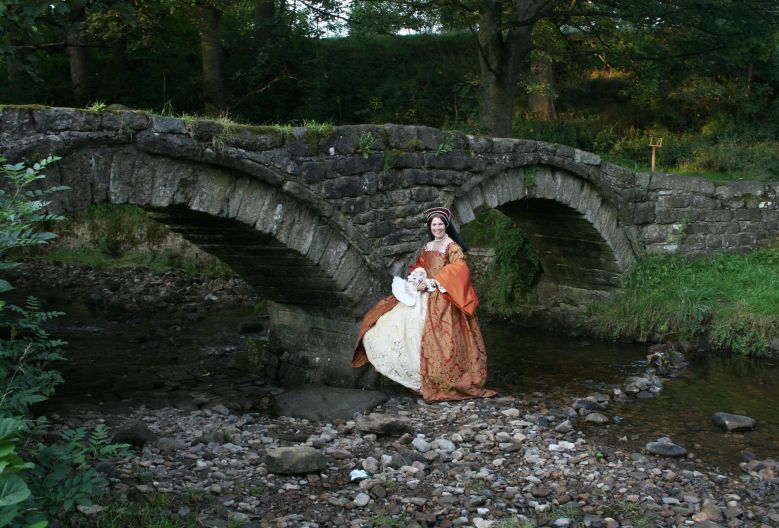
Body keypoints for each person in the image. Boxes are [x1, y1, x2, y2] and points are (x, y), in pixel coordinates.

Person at [352, 206, 496, 402]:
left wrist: (434, 281)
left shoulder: (452, 247)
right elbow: (421, 265)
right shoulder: (428, 247)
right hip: (423, 293)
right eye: (433, 224)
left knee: (440, 340)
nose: (437, 227)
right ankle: (417, 379)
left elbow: (460, 269)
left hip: (443, 298)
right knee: (389, 322)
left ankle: (438, 380)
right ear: (430, 227)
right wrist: (418, 277)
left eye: (440, 224)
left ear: (446, 225)